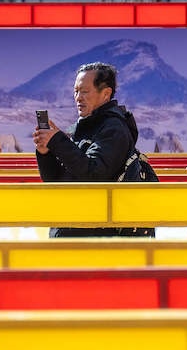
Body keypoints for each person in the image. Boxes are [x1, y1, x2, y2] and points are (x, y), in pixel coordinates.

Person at [33, 61, 143, 237]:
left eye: (84, 91)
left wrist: (58, 141)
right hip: (71, 230)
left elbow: (93, 173)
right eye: (76, 91)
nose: (78, 97)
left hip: (96, 237)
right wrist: (46, 152)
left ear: (106, 94)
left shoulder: (114, 129)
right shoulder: (83, 127)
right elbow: (56, 181)